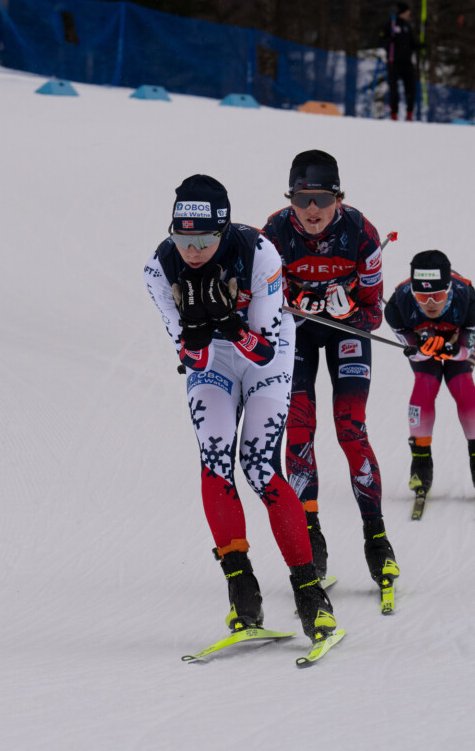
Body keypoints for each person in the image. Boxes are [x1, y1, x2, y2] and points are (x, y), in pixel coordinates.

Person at [143, 174, 337, 645]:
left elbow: (266, 351)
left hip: (263, 353)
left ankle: (310, 592)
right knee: (214, 457)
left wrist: (229, 325)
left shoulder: (259, 253)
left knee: (258, 466)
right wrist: (193, 340)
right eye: (183, 238)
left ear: (224, 230)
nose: (192, 250)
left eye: (204, 239)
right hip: (215, 358)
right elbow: (190, 358)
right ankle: (241, 588)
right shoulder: (158, 268)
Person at [262, 150, 398, 593]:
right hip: (297, 337)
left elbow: (375, 314)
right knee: (299, 429)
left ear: (339, 197)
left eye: (322, 198)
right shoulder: (275, 233)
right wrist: (289, 311)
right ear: (290, 199)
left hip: (345, 334)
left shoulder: (362, 234)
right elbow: (259, 308)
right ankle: (311, 535)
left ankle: (377, 540)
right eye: (303, 199)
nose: (312, 210)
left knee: (350, 429)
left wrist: (352, 314)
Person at [384, 249, 475, 497]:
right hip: (424, 341)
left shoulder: (468, 300)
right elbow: (411, 351)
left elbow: (466, 350)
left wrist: (451, 350)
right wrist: (423, 349)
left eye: (437, 295)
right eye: (422, 297)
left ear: (449, 289)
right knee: (424, 383)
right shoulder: (396, 306)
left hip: (458, 341)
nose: (430, 303)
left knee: (461, 384)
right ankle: (420, 464)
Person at [380, 2, 419, 121]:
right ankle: (394, 115)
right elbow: (381, 39)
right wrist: (388, 41)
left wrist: (420, 46)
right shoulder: (391, 24)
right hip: (393, 62)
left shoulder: (407, 26)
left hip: (407, 62)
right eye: (407, 11)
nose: (409, 14)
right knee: (394, 90)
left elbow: (412, 43)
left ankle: (409, 114)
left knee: (411, 89)